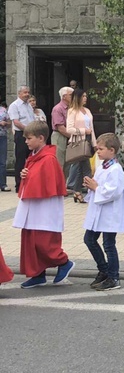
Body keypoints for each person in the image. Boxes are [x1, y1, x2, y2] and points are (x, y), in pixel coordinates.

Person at [11, 121, 74, 288]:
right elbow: (32, 177)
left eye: (29, 138)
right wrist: (25, 174)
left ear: (40, 138)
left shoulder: (49, 159)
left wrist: (29, 175)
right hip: (33, 206)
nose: (26, 141)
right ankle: (38, 274)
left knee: (44, 242)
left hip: (45, 208)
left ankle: (64, 262)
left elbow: (48, 182)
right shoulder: (33, 157)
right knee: (31, 241)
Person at [82, 133, 124, 291]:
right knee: (89, 239)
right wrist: (91, 186)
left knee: (109, 244)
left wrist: (96, 188)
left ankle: (113, 276)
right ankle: (104, 269)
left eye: (101, 149)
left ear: (112, 150)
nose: (98, 151)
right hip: (98, 211)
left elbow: (113, 192)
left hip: (109, 213)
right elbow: (98, 186)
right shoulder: (102, 166)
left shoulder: (116, 170)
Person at [66, 89, 96, 204]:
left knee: (83, 166)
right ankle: (85, 191)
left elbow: (91, 128)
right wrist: (84, 131)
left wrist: (94, 143)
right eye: (83, 96)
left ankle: (77, 191)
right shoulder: (72, 111)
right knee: (83, 167)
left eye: (85, 96)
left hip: (87, 140)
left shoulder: (87, 110)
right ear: (77, 98)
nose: (85, 98)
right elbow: (69, 129)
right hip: (78, 141)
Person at [8, 85, 35, 192]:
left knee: (31, 158)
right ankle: (19, 185)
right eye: (25, 92)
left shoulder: (28, 105)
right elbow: (16, 122)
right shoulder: (14, 106)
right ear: (19, 93)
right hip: (21, 135)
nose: (27, 94)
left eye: (28, 92)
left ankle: (30, 182)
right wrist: (29, 129)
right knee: (20, 160)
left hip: (31, 134)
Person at [50, 86, 74, 177]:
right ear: (64, 96)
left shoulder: (71, 108)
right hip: (59, 136)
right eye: (71, 95)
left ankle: (64, 185)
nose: (73, 97)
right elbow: (60, 128)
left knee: (68, 162)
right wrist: (73, 136)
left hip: (68, 135)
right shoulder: (58, 109)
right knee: (59, 162)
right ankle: (57, 186)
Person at [0, 102, 10, 191]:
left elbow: (10, 123)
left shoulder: (3, 110)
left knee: (2, 162)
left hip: (2, 137)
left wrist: (6, 123)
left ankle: (3, 184)